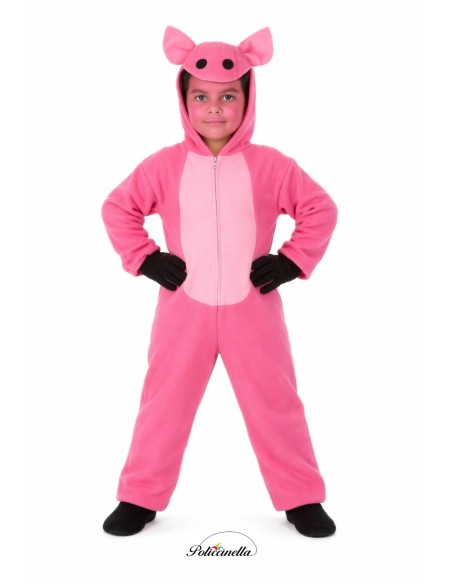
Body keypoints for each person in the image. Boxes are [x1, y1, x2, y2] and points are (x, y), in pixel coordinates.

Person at [101, 25, 338, 538]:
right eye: (201, 97)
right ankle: (139, 497)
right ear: (184, 100)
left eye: (228, 96)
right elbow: (118, 208)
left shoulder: (272, 166)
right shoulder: (163, 166)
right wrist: (145, 258)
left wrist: (292, 261)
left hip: (254, 310)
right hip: (182, 311)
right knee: (164, 402)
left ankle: (301, 497)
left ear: (248, 100)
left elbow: (320, 209)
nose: (214, 108)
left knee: (276, 402)